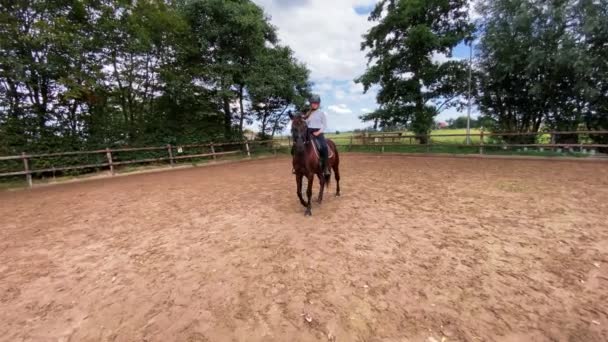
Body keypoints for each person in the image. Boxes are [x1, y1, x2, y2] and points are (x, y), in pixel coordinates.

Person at [303, 94, 330, 176]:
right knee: (299, 145)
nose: (314, 104)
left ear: (318, 104)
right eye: (313, 103)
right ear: (311, 104)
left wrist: (318, 132)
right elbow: (306, 123)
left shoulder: (321, 113)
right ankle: (298, 166)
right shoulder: (308, 113)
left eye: (316, 103)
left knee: (324, 147)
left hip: (318, 133)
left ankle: (325, 168)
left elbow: (325, 125)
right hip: (308, 132)